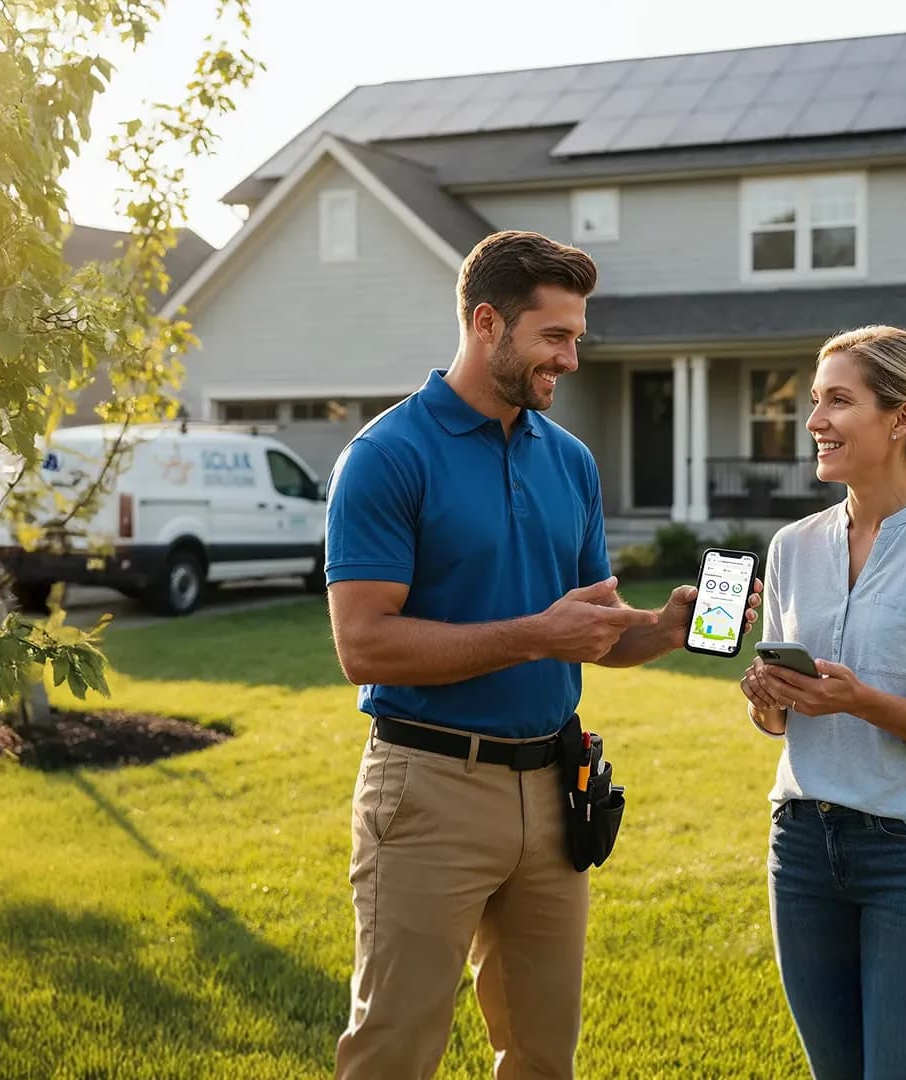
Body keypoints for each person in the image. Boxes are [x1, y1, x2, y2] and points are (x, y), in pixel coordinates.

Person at [324, 230, 760, 1079]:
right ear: (487, 322)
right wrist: (535, 634)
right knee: (394, 1051)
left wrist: (666, 629)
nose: (570, 357)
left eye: (577, 339)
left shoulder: (569, 461)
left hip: (555, 794)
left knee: (541, 1055)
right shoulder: (387, 456)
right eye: (554, 337)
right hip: (427, 791)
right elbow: (363, 644)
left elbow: (587, 627)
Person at [739, 325, 906, 1080]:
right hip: (801, 847)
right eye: (815, 401)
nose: (813, 420)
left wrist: (861, 701)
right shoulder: (792, 545)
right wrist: (767, 699)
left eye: (837, 401)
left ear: (901, 418)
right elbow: (781, 722)